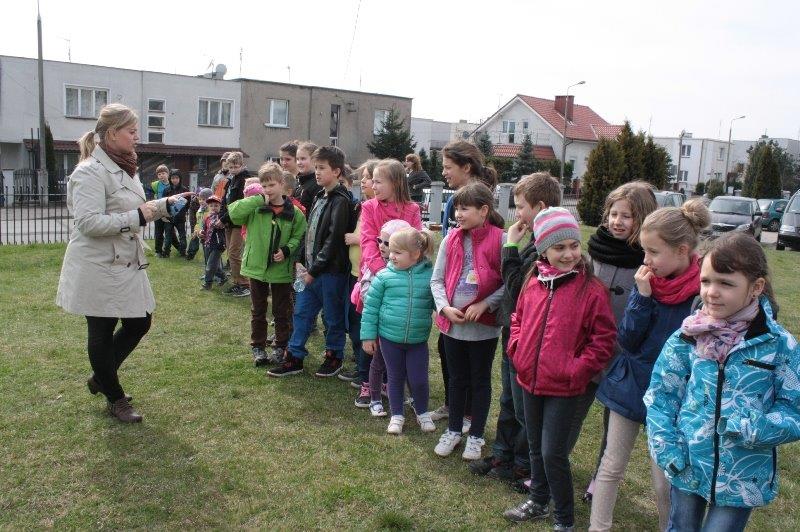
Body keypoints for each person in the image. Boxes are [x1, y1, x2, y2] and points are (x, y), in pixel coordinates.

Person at [645, 232, 800, 532]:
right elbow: (660, 396)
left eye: (726, 283)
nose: (712, 292)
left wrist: (751, 427)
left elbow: (794, 408)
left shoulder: (779, 345)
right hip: (688, 462)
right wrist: (667, 448)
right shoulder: (687, 337)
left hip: (742, 475)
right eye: (706, 281)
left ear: (756, 287)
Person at [56, 103, 183, 423]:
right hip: (97, 263)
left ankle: (101, 377)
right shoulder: (88, 172)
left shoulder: (125, 166)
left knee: (140, 321)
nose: (136, 137)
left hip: (124, 260)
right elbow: (88, 223)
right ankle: (115, 397)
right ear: (112, 134)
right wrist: (137, 216)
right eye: (131, 131)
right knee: (101, 330)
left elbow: (133, 208)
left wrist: (164, 205)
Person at [589, 199, 709, 532]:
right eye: (644, 251)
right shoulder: (648, 284)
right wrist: (641, 298)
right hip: (631, 385)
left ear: (682, 251)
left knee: (665, 479)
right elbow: (627, 340)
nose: (645, 260)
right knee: (611, 466)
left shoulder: (702, 293)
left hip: (674, 398)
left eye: (653, 252)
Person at [503, 207, 616, 531]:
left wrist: (577, 369)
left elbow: (603, 339)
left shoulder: (591, 290)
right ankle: (538, 501)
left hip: (564, 386)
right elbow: (518, 318)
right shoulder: (533, 282)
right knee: (535, 447)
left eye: (573, 246)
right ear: (543, 250)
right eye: (559, 247)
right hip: (529, 379)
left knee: (553, 453)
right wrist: (518, 350)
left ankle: (564, 519)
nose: (568, 254)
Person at [469, 173, 561, 487]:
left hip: (528, 338)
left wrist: (509, 246)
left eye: (521, 206)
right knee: (509, 399)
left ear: (541, 207)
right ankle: (503, 455)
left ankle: (524, 464)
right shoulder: (534, 243)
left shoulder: (547, 248)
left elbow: (518, 287)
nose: (517, 213)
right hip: (514, 331)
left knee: (523, 407)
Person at [582, 181, 658, 502]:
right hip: (587, 345)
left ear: (643, 219)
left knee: (612, 423)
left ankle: (600, 478)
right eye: (614, 214)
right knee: (572, 406)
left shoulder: (649, 261)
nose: (617, 221)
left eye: (627, 216)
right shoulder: (595, 249)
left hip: (623, 353)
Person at [431, 182, 506, 461]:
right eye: (456, 209)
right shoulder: (450, 239)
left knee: (479, 381)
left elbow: (509, 283)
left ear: (483, 210)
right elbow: (437, 280)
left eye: (464, 209)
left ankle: (476, 435)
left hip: (483, 329)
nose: (458, 214)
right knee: (457, 379)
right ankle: (453, 430)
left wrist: (485, 304)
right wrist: (444, 308)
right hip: (453, 327)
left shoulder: (500, 239)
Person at [268, 146, 352, 378]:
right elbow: (309, 232)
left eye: (322, 168)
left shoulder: (341, 201)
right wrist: (301, 261)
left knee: (333, 318)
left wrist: (313, 271)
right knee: (302, 313)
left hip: (330, 273)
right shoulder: (319, 196)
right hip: (310, 271)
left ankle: (334, 357)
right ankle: (294, 357)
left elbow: (333, 241)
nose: (317, 172)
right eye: (316, 167)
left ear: (336, 171)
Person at [431, 141, 498, 423]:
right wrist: (443, 303)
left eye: (448, 167)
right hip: (451, 302)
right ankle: (455, 407)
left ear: (466, 167)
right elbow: (447, 255)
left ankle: (468, 412)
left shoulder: (486, 212)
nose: (444, 172)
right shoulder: (454, 208)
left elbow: (494, 266)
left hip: (480, 316)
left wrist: (484, 302)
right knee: (449, 354)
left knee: (475, 368)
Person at [229, 162, 307, 367]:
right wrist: (257, 198)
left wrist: (287, 250)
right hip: (256, 268)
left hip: (280, 269)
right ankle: (258, 346)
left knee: (282, 310)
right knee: (258, 310)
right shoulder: (256, 207)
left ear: (282, 184)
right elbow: (233, 213)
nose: (268, 190)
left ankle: (281, 345)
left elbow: (299, 235)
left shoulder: (294, 212)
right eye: (264, 186)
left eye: (272, 185)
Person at [361, 228, 437, 434]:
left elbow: (438, 301)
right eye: (391, 251)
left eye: (397, 252)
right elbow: (371, 308)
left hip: (418, 341)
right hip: (389, 340)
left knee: (419, 379)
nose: (391, 256)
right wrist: (368, 336)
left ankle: (422, 412)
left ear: (415, 254)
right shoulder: (383, 277)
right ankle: (397, 415)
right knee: (395, 377)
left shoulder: (430, 276)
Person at [360, 219, 412, 416]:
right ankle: (374, 398)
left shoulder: (410, 269)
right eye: (379, 241)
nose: (381, 246)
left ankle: (397, 391)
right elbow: (366, 294)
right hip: (383, 326)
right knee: (378, 362)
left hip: (401, 328)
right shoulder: (377, 267)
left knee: (402, 364)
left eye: (387, 243)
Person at [347, 159, 379, 406]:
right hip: (357, 273)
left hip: (371, 275)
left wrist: (356, 239)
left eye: (369, 177)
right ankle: (362, 369)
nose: (365, 182)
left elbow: (373, 238)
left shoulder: (376, 208)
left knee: (366, 326)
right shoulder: (364, 206)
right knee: (357, 323)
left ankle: (368, 374)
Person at [219, 152, 251, 297]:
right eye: (230, 167)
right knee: (231, 253)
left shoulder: (244, 180)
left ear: (242, 165)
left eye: (235, 167)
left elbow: (238, 205)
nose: (232, 169)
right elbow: (224, 201)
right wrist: (222, 217)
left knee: (234, 252)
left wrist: (223, 219)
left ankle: (244, 284)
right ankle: (237, 281)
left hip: (238, 222)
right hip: (229, 222)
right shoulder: (231, 180)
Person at [200, 195, 227, 290]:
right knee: (212, 264)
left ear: (220, 206)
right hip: (208, 243)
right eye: (211, 205)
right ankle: (223, 276)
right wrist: (201, 233)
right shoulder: (207, 217)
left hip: (218, 244)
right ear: (208, 207)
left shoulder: (222, 217)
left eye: (216, 205)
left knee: (210, 265)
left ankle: (208, 283)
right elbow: (204, 228)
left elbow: (223, 227)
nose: (213, 207)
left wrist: (221, 223)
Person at [162, 169, 189, 258]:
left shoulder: (184, 190)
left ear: (180, 179)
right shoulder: (166, 190)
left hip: (180, 217)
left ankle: (183, 252)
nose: (175, 180)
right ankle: (166, 252)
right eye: (173, 178)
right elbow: (163, 202)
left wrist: (182, 211)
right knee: (168, 235)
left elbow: (187, 203)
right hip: (169, 216)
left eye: (177, 178)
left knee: (182, 235)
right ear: (170, 179)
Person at [293, 141, 322, 216]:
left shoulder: (318, 184)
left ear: (314, 160)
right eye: (297, 159)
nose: (299, 162)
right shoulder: (298, 182)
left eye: (303, 159)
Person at [149, 164, 170, 257]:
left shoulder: (171, 183)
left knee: (169, 232)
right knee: (158, 232)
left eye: (163, 173)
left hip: (168, 210)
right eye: (159, 174)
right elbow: (150, 194)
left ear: (168, 174)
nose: (161, 176)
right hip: (158, 210)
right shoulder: (155, 185)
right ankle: (158, 251)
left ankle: (168, 251)